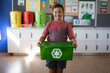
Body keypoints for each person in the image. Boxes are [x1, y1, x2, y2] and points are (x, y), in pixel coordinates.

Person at [37, 3, 77, 73]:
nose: (57, 14)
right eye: (55, 12)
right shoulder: (49, 24)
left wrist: (74, 42)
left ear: (63, 13)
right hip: (50, 50)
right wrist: (40, 40)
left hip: (62, 51)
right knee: (51, 69)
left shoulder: (67, 25)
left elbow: (72, 37)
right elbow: (43, 36)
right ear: (53, 13)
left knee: (60, 69)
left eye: (60, 12)